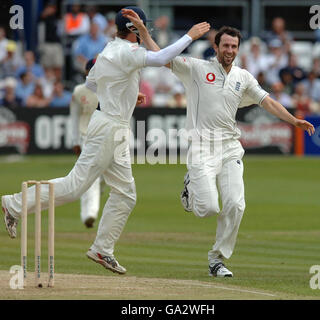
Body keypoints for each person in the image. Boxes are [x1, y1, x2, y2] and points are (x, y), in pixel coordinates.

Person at [2, 7, 210, 275]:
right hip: (109, 126)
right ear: (134, 30)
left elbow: (91, 85)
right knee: (75, 186)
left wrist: (124, 93)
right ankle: (14, 204)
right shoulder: (125, 52)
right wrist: (190, 36)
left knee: (125, 194)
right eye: (142, 27)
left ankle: (102, 249)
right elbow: (161, 59)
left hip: (114, 125)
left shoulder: (108, 51)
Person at [166, 26, 315, 278]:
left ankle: (217, 259)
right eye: (225, 45)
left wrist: (293, 120)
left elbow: (267, 101)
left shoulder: (243, 77)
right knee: (210, 208)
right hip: (202, 146)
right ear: (216, 47)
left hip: (230, 148)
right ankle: (190, 189)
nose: (230, 50)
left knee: (236, 204)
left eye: (234, 46)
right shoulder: (197, 68)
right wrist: (144, 33)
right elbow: (161, 57)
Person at [70, 59, 101, 228]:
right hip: (86, 137)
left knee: (103, 179)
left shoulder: (107, 88)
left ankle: (91, 208)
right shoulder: (79, 91)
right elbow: (74, 117)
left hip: (106, 138)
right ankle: (89, 214)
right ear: (87, 72)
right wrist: (75, 141)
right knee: (90, 178)